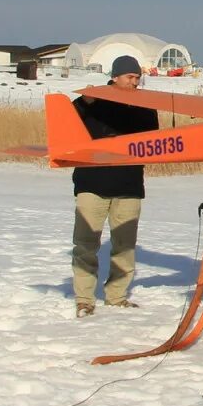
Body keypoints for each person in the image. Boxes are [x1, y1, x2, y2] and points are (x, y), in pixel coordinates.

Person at [70, 55, 159, 318]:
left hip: (129, 183)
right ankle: (84, 299)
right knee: (86, 244)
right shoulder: (90, 101)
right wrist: (85, 103)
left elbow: (153, 138)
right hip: (92, 182)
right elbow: (72, 122)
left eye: (137, 78)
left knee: (125, 245)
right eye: (130, 77)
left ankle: (117, 295)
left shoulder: (144, 105)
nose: (134, 82)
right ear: (115, 77)